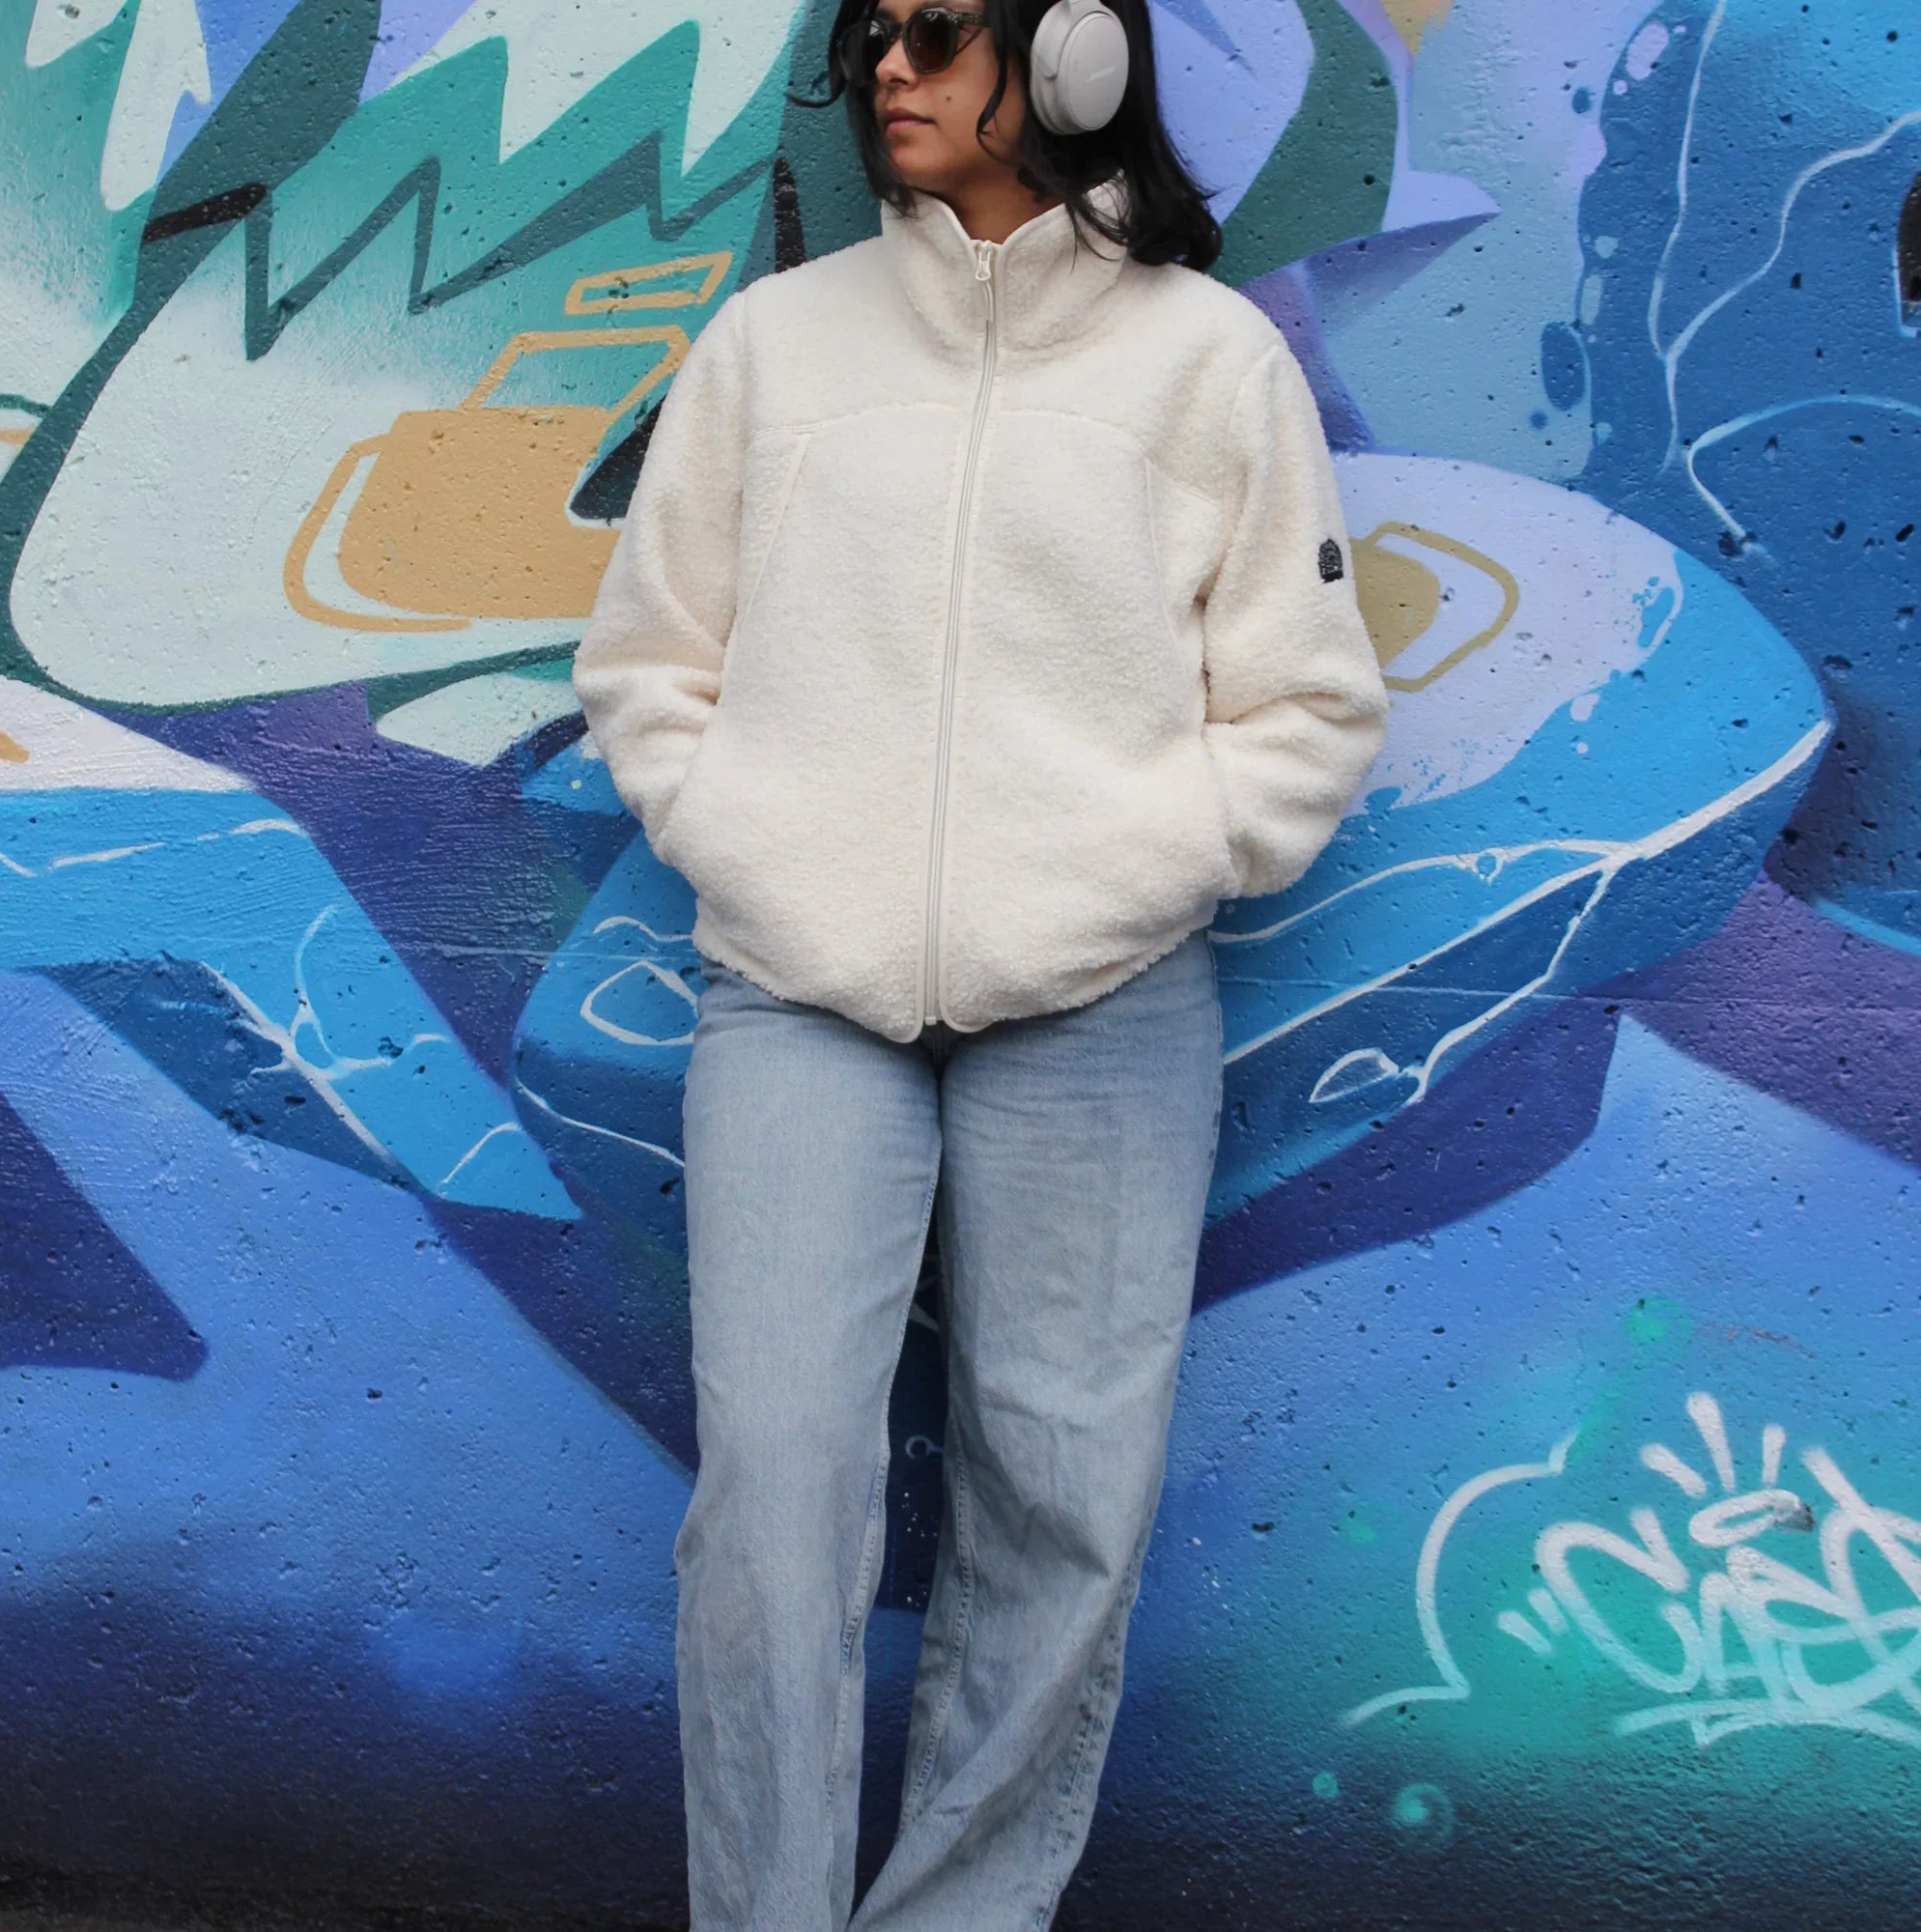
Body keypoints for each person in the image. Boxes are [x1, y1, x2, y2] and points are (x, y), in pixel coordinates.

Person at [571, 1, 1391, 1923]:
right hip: (798, 992)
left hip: (1104, 1004)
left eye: (939, 30)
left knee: (1062, 1503)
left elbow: (1305, 708)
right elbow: (647, 661)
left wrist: (1140, 864)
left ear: (1076, 52)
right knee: (774, 1493)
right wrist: (750, 838)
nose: (890, 67)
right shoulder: (778, 346)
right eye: (872, 33)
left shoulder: (1205, 361)